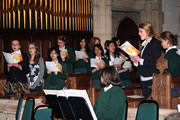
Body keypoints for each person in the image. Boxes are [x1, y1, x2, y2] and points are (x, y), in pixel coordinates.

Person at [130, 22, 161, 99]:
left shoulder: (155, 43)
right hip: (143, 77)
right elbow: (141, 62)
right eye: (139, 31)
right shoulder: (144, 44)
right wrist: (135, 61)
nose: (139, 33)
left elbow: (155, 62)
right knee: (147, 99)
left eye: (141, 31)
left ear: (147, 31)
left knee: (151, 100)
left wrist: (139, 59)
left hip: (151, 77)